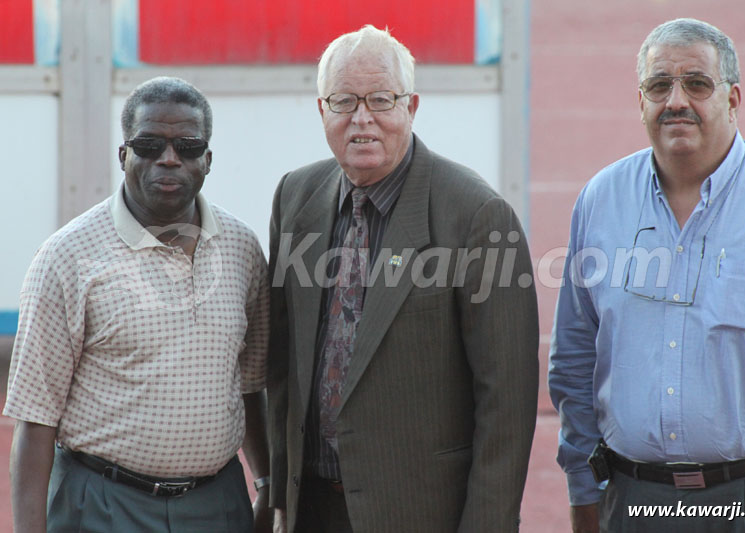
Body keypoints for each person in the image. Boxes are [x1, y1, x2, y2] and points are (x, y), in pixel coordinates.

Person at [266, 25, 539, 533]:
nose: (361, 118)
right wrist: (280, 496)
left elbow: (507, 404)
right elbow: (283, 366)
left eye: (380, 100)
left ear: (411, 107)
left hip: (422, 514)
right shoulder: (294, 198)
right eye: (344, 100)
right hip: (313, 510)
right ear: (321, 110)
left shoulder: (477, 215)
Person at [549, 17, 745, 533]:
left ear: (732, 99)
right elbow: (575, 357)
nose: (676, 100)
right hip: (637, 499)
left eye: (697, 83)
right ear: (640, 100)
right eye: (659, 85)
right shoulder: (601, 200)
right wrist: (583, 488)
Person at [5, 76, 272, 533]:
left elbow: (249, 386)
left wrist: (267, 482)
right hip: (101, 507)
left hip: (218, 507)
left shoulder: (242, 250)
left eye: (187, 146)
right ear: (123, 154)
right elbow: (36, 421)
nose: (169, 159)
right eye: (149, 144)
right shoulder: (67, 257)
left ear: (207, 160)